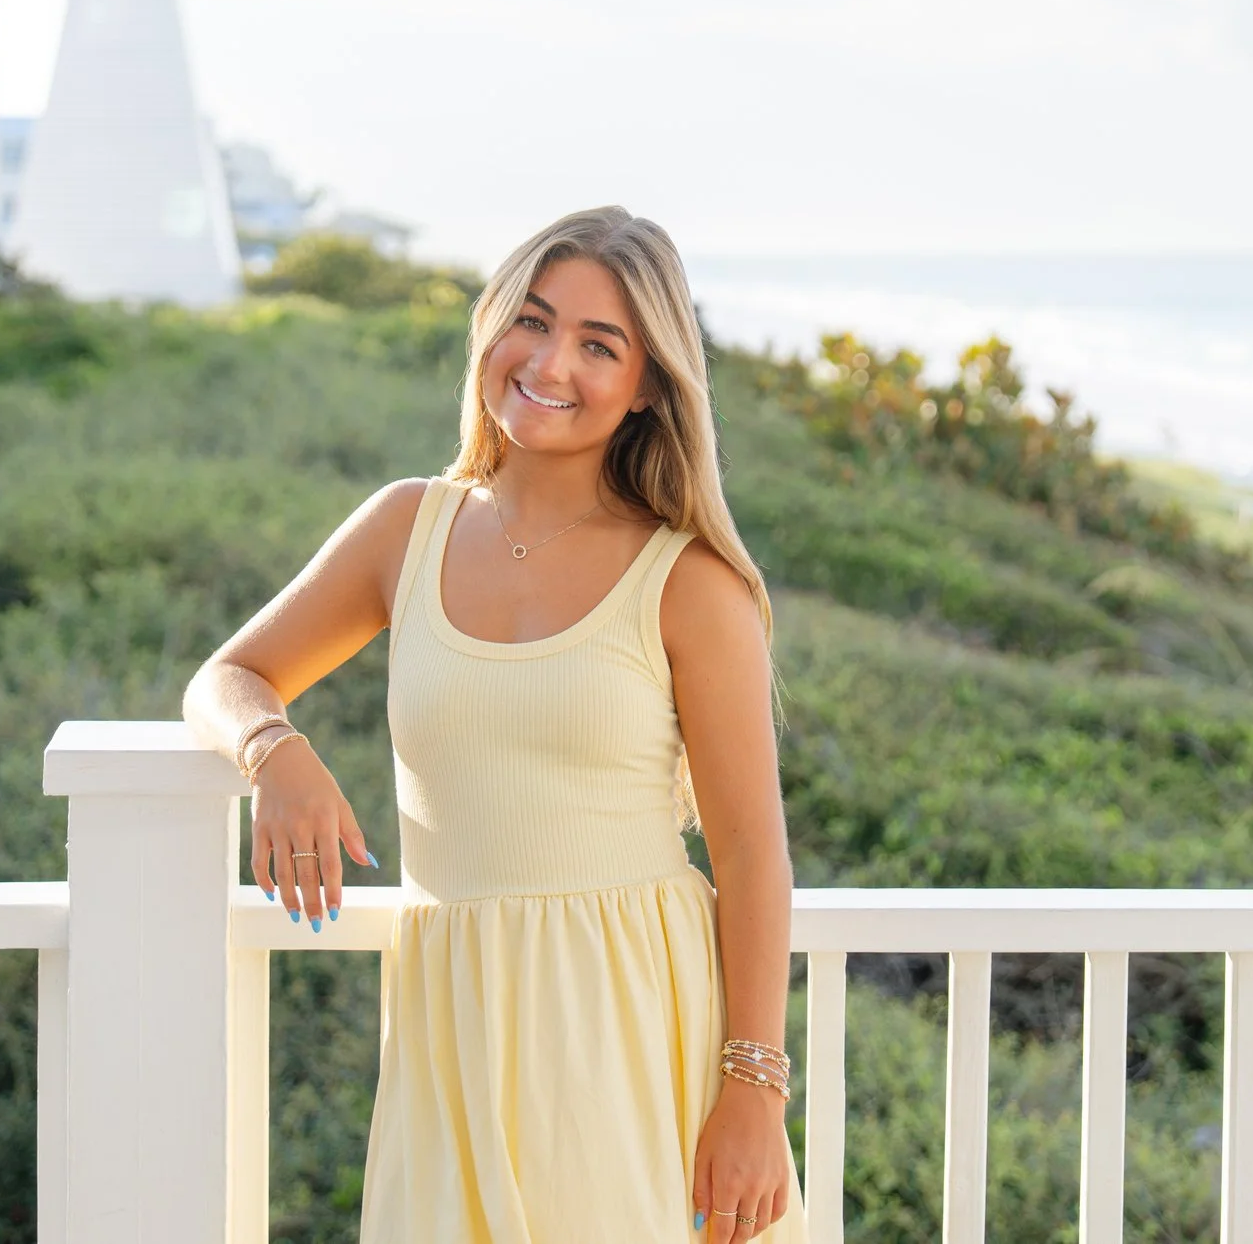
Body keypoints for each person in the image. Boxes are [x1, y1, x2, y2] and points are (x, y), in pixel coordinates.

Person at [182, 205, 806, 1242]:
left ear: (648, 384)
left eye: (599, 344)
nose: (550, 360)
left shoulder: (688, 582)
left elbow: (750, 854)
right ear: (490, 326)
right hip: (447, 1024)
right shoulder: (404, 527)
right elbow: (232, 671)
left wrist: (753, 1087)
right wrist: (271, 751)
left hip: (630, 1018)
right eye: (532, 318)